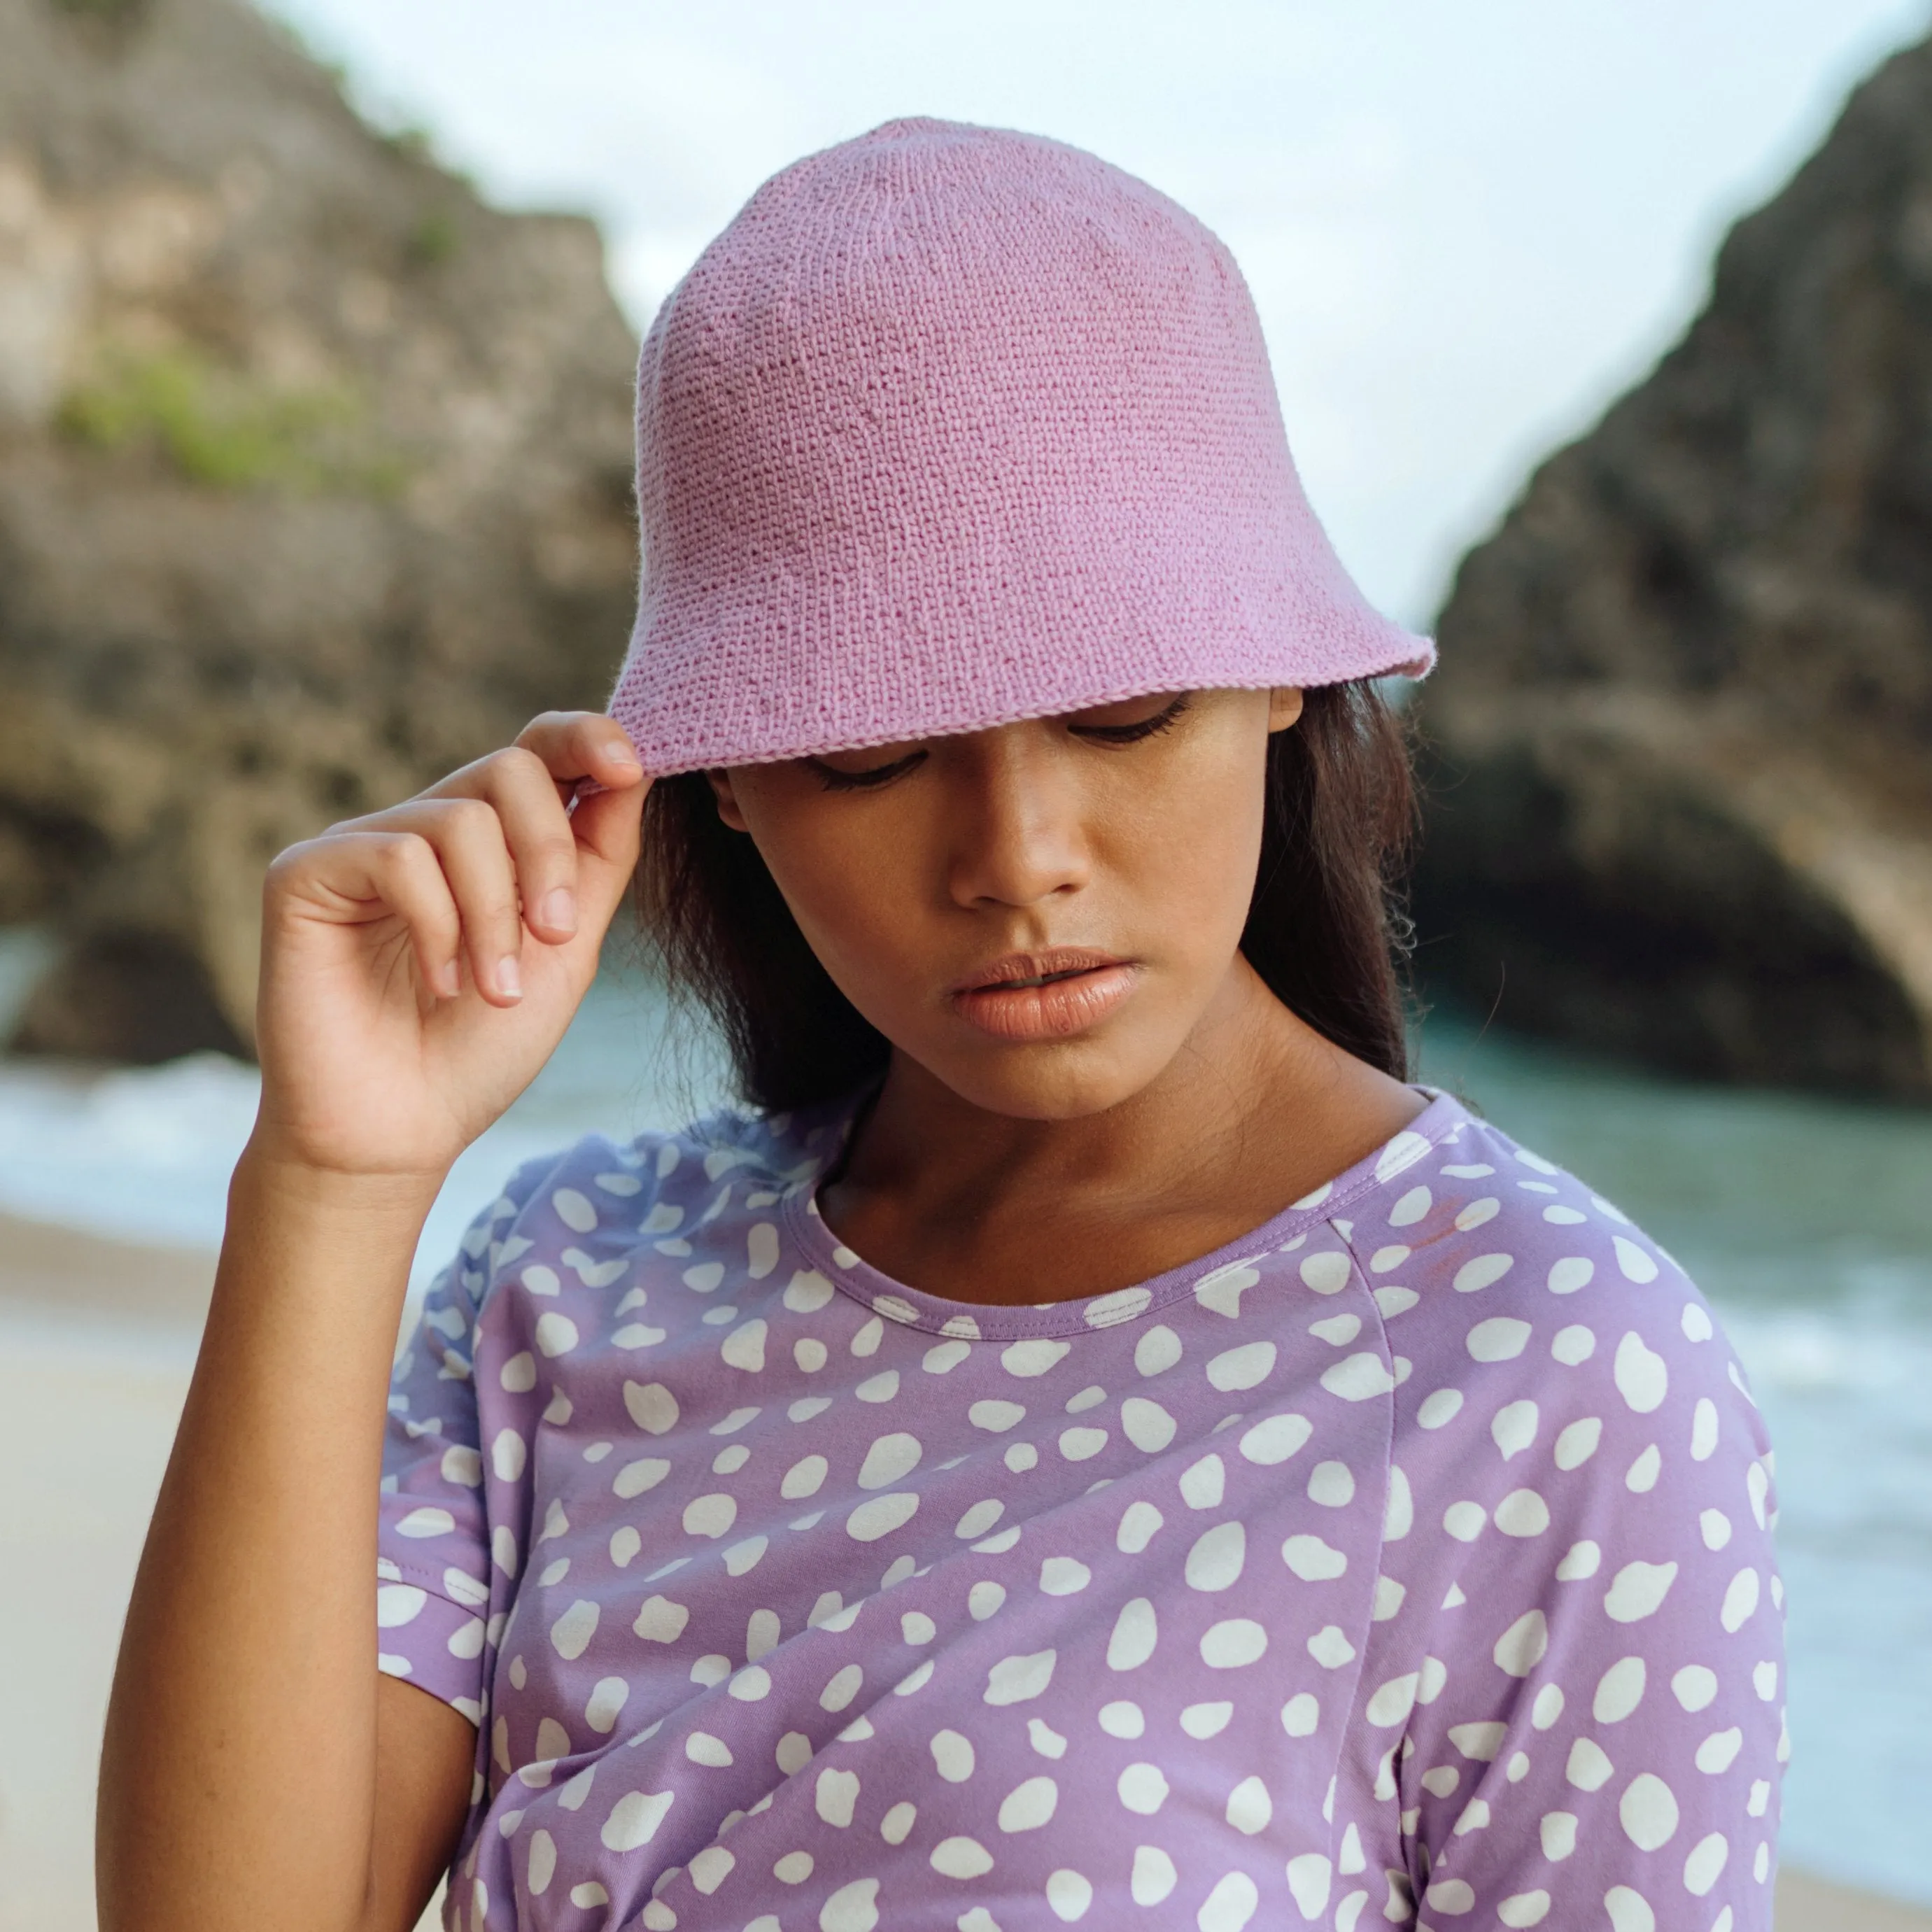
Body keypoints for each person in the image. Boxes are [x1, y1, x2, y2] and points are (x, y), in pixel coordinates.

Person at [97, 120, 1784, 1932]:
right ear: (730, 785)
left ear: (1284, 668)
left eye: (1123, 712)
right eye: (870, 751)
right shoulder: (567, 1279)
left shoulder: (1543, 1366)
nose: (1017, 858)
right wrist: (337, 1181)